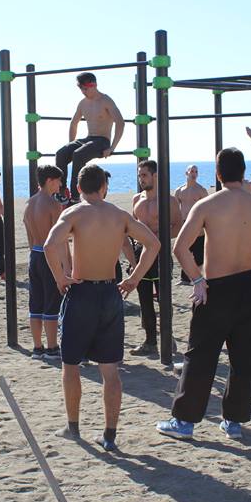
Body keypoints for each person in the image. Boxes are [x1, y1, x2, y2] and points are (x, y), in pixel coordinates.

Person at [156, 148, 251, 441]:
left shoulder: (207, 205)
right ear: (243, 173)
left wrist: (197, 279)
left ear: (218, 174)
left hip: (215, 288)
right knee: (244, 357)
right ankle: (234, 421)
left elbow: (180, 247)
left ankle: (185, 422)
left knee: (200, 356)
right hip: (247, 285)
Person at [44, 164, 160, 451]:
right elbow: (153, 244)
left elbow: (49, 245)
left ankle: (73, 427)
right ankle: (109, 435)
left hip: (82, 292)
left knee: (71, 364)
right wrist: (134, 278)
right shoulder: (119, 215)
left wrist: (60, 278)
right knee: (110, 370)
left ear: (79, 188)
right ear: (104, 187)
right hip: (110, 292)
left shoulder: (73, 213)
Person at [131, 160, 183, 356]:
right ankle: (150, 341)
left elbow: (178, 226)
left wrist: (158, 237)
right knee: (144, 299)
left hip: (161, 252)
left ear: (155, 176)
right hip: (140, 252)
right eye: (139, 175)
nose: (141, 179)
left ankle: (168, 337)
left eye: (144, 175)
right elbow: (133, 226)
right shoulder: (137, 199)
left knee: (164, 298)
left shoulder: (168, 200)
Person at [55, 73, 125, 202]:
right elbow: (73, 123)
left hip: (102, 140)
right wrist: (70, 144)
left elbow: (120, 123)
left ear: (94, 85)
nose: (83, 92)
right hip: (88, 139)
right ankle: (62, 191)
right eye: (81, 89)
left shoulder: (106, 101)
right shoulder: (83, 103)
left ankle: (75, 196)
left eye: (85, 89)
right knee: (61, 153)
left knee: (78, 155)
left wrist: (112, 147)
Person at [23, 165, 64, 359]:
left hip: (35, 254)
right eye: (58, 180)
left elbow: (29, 236)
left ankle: (37, 347)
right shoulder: (53, 205)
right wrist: (65, 265)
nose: (60, 184)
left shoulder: (29, 203)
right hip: (49, 254)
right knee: (52, 302)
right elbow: (58, 238)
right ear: (49, 180)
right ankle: (52, 347)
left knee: (36, 302)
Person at [175, 165, 208, 284]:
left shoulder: (201, 190)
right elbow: (176, 209)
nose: (194, 174)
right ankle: (184, 278)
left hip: (197, 224)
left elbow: (207, 208)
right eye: (192, 171)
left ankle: (199, 278)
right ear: (186, 173)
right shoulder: (179, 190)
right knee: (184, 250)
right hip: (184, 223)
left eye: (196, 172)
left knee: (199, 253)